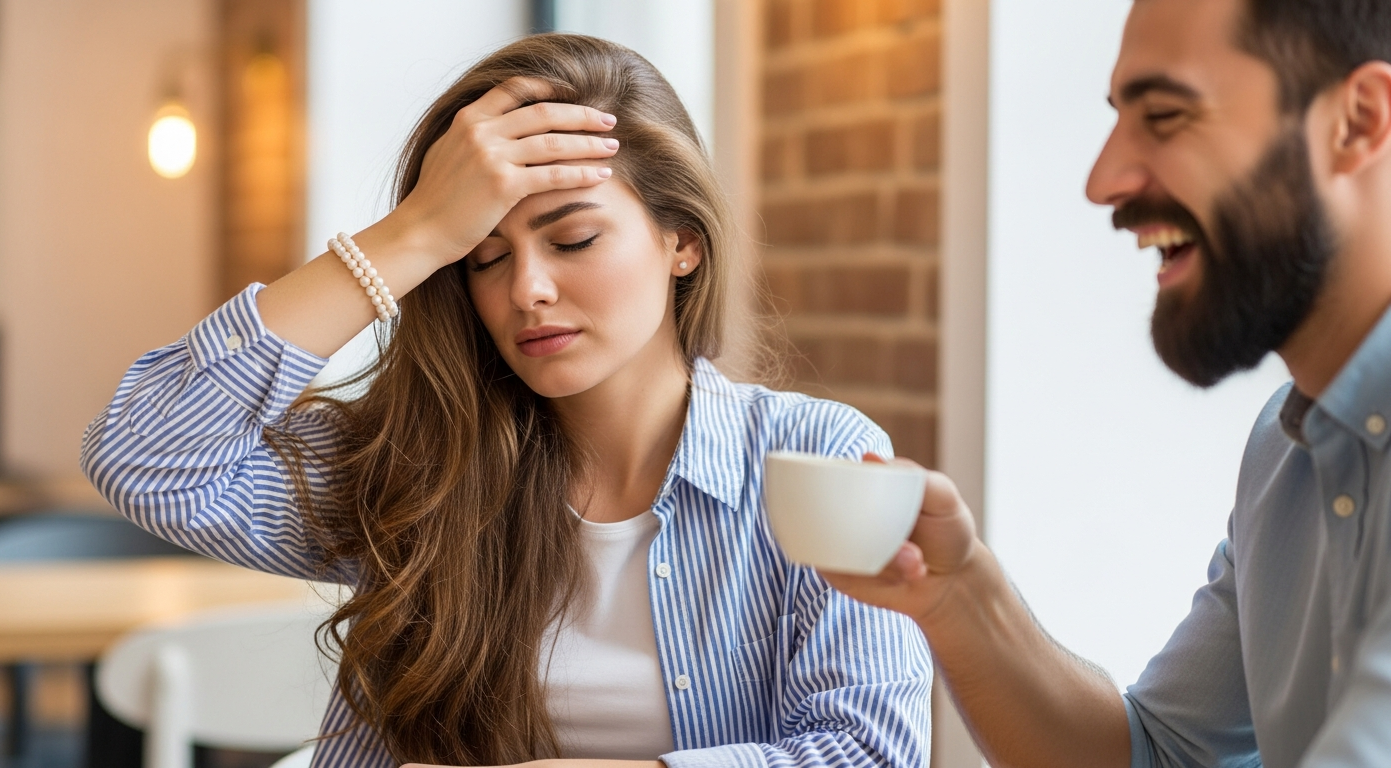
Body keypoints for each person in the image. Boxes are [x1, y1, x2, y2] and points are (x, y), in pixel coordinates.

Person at [81, 34, 932, 768]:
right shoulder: (419, 468)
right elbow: (149, 460)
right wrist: (411, 235)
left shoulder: (809, 460)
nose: (526, 289)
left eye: (573, 238)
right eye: (483, 257)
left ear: (682, 243)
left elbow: (868, 751)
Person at [826, 0, 1391, 765]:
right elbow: (1162, 754)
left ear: (1358, 121)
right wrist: (957, 594)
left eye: (1165, 115)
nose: (1102, 181)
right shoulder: (1284, 450)